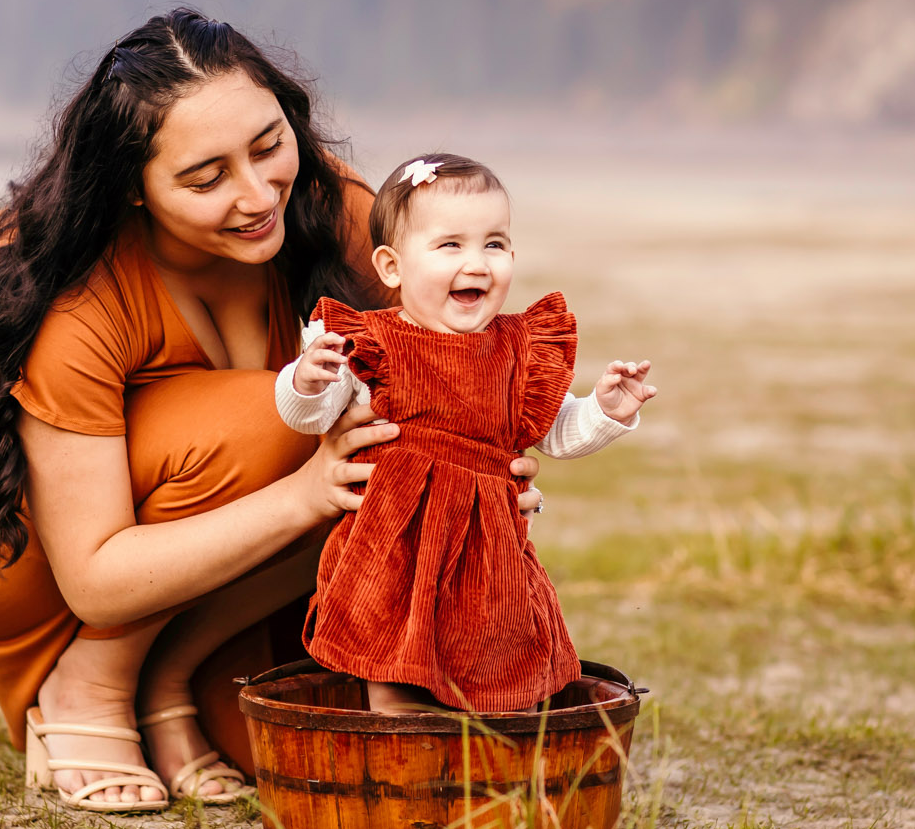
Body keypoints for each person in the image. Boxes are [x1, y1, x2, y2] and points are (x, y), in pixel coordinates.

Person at [0, 11, 547, 813]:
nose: (257, 194)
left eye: (268, 147)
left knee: (271, 733)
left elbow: (451, 362)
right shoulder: (75, 287)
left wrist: (491, 466)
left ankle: (169, 667)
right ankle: (93, 676)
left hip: (213, 505)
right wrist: (306, 497)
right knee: (296, 419)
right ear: (132, 185)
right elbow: (91, 574)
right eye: (205, 178)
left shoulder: (335, 210)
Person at [272, 153, 655, 714]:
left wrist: (606, 409)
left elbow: (555, 432)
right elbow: (309, 417)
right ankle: (406, 755)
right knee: (394, 671)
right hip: (394, 548)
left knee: (500, 668)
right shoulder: (369, 342)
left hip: (489, 549)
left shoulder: (517, 348)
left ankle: (493, 765)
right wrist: (307, 381)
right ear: (392, 266)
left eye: (494, 244)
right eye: (450, 245)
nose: (477, 263)